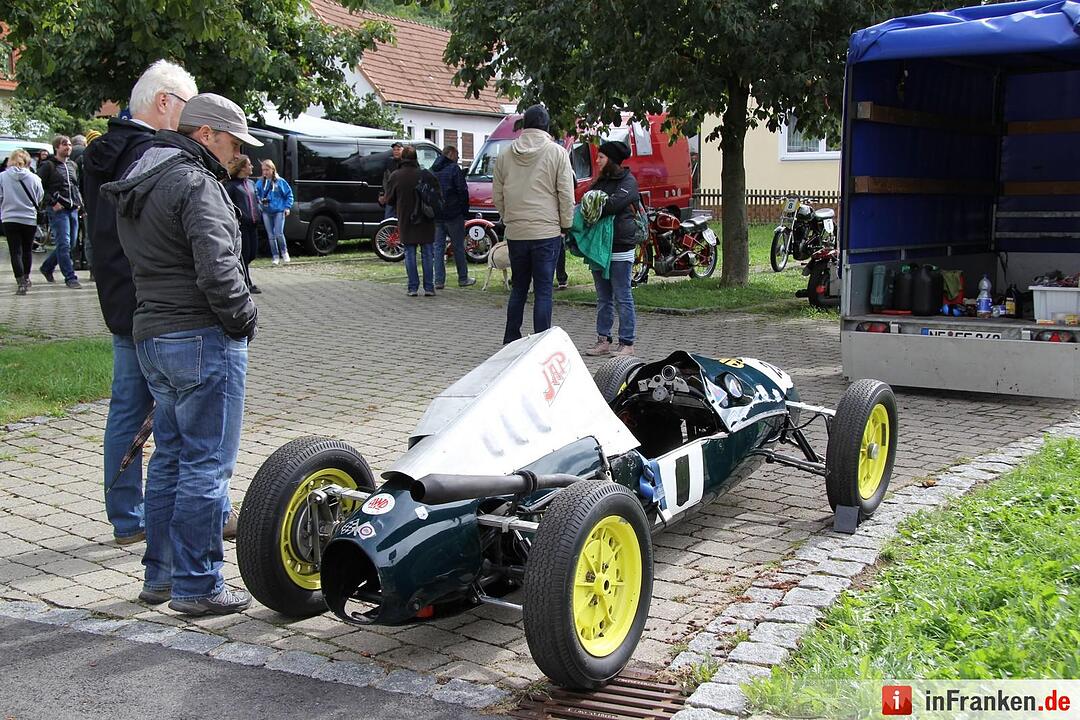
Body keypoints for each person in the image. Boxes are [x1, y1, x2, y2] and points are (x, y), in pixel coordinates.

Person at [101, 92, 259, 615]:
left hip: (152, 335)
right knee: (206, 466)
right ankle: (199, 585)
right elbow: (218, 268)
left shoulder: (141, 178)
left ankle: (163, 576)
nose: (236, 151)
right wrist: (243, 320)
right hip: (200, 336)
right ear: (207, 133)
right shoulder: (195, 181)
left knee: (169, 459)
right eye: (233, 140)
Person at [83, 59, 201, 546]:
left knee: (128, 410)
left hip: (119, 294)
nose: (191, 121)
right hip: (157, 300)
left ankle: (127, 516)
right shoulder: (150, 154)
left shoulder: (102, 152)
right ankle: (176, 513)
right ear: (163, 102)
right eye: (186, 107)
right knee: (181, 412)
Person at [492, 104, 574, 344]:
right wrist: (565, 224)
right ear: (547, 126)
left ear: (524, 125)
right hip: (546, 230)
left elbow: (498, 194)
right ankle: (541, 342)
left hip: (517, 231)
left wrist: (509, 217)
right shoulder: (557, 153)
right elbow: (566, 194)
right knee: (544, 290)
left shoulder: (505, 154)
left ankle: (511, 338)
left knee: (519, 287)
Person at [583, 140, 640, 356]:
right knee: (603, 297)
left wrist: (597, 204)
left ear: (612, 160)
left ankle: (627, 343)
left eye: (601, 157)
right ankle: (603, 339)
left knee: (622, 295)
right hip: (600, 247)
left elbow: (610, 206)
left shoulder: (628, 181)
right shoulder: (600, 182)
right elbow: (588, 205)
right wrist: (596, 203)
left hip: (620, 245)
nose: (597, 161)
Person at [386, 145, 439, 296]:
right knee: (428, 253)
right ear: (416, 158)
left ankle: (412, 287)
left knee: (410, 253)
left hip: (406, 219)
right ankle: (429, 287)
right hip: (426, 218)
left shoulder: (396, 175)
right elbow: (437, 196)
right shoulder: (426, 175)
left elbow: (390, 200)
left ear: (402, 158)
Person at [37, 135, 83, 288]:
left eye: (69, 145)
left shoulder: (73, 166)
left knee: (70, 244)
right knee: (63, 244)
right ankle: (70, 277)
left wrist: (80, 204)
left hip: (73, 209)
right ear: (57, 147)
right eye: (64, 145)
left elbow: (76, 187)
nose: (68, 147)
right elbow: (39, 187)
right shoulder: (48, 166)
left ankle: (47, 267)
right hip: (58, 210)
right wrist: (52, 202)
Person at [0, 149, 45, 295]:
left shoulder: (2, 177)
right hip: (29, 218)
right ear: (28, 162)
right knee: (27, 250)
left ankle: (20, 283)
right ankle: (26, 277)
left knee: (15, 251)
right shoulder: (35, 178)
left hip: (9, 217)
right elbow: (40, 197)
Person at [431, 145, 475, 289]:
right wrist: (464, 211)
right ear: (450, 154)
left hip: (437, 214)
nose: (458, 158)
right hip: (453, 214)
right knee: (458, 247)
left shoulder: (433, 169)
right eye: (457, 155)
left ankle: (438, 280)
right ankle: (463, 278)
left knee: (438, 247)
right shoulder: (454, 169)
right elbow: (462, 191)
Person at [226, 155, 262, 294]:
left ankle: (242, 280)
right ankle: (247, 284)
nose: (252, 167)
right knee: (244, 255)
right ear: (242, 167)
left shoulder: (251, 184)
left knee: (252, 254)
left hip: (253, 224)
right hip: (241, 226)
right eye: (249, 164)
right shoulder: (231, 185)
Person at [255, 159, 292, 265]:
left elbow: (289, 195)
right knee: (270, 235)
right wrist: (259, 202)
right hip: (266, 211)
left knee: (278, 233)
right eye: (263, 170)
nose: (265, 172)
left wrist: (287, 207)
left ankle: (284, 253)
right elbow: (256, 194)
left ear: (272, 169)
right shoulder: (260, 182)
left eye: (267, 169)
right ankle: (275, 256)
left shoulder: (280, 181)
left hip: (279, 211)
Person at [380, 141, 403, 219]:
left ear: (403, 150)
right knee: (388, 220)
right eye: (394, 150)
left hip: (402, 198)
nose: (396, 151)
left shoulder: (407, 163)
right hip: (390, 197)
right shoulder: (389, 162)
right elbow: (384, 180)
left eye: (398, 149)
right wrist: (382, 194)